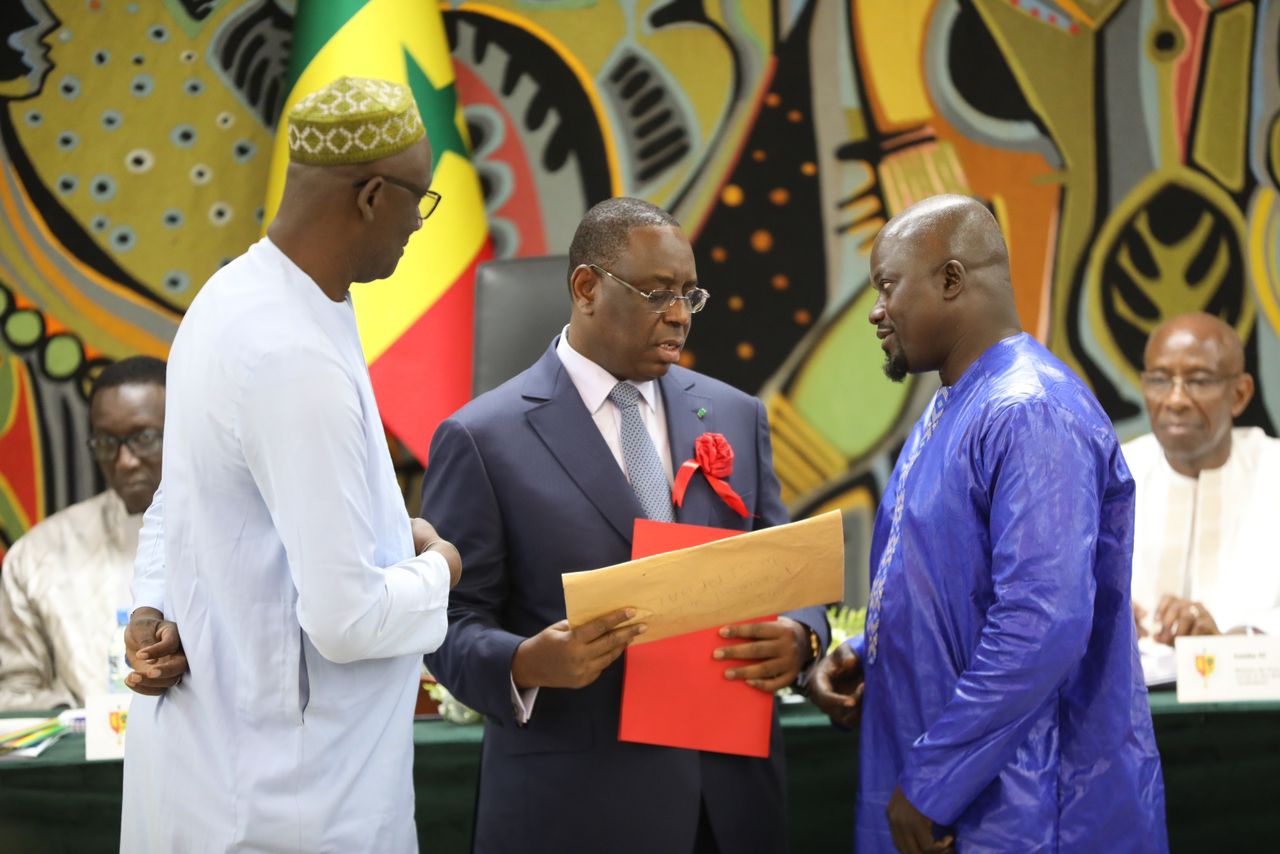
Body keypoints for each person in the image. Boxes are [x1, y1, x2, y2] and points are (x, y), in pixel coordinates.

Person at [420, 197, 829, 853]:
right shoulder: (481, 438)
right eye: (657, 293)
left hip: (730, 806)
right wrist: (525, 662)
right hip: (576, 813)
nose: (678, 315)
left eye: (689, 296)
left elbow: (784, 569)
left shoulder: (735, 415)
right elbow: (445, 624)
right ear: (586, 288)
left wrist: (801, 635)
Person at [118, 77, 462, 853]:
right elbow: (345, 623)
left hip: (236, 770)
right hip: (288, 802)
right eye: (421, 200)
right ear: (373, 195)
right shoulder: (289, 350)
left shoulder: (232, 298)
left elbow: (184, 499)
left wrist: (152, 607)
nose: (418, 224)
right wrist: (441, 565)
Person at [807, 195, 1167, 853]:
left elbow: (1041, 623)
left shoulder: (1031, 410)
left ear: (950, 279)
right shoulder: (958, 403)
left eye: (888, 285)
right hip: (965, 797)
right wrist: (867, 656)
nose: (875, 310)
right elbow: (945, 592)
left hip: (1025, 810)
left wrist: (933, 781)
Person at [0, 356, 165, 710]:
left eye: (145, 438)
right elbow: (14, 691)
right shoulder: (39, 555)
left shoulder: (242, 534)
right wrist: (84, 721)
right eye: (107, 443)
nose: (125, 461)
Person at [1124, 312, 1280, 641]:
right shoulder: (1113, 477)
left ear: (1239, 394)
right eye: (1160, 380)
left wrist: (1243, 637)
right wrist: (1107, 619)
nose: (1176, 400)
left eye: (1198, 380)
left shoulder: (1273, 471)